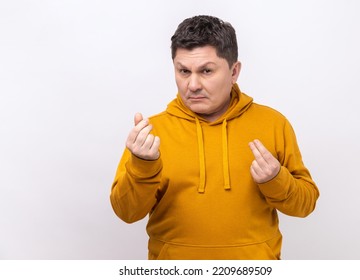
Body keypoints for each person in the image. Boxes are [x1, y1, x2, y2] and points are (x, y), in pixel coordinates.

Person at [110, 15, 319, 260]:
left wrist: (276, 179)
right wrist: (142, 166)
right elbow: (126, 212)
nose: (193, 84)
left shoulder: (273, 123)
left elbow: (305, 205)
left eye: (206, 71)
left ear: (234, 71)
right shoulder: (150, 133)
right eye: (183, 71)